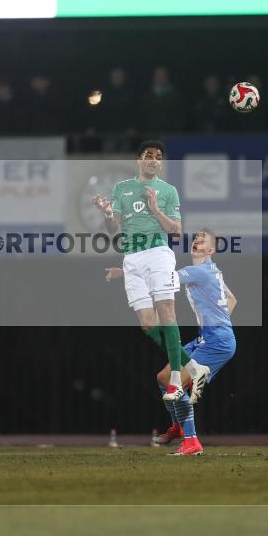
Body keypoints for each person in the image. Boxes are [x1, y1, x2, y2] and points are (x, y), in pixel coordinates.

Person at [93, 140, 211, 405]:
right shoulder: (121, 189)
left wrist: (156, 208)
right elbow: (114, 229)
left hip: (158, 254)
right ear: (139, 160)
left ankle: (176, 381)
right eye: (149, 155)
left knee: (167, 312)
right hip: (131, 258)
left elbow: (177, 231)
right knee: (147, 324)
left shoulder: (168, 191)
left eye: (159, 157)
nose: (154, 160)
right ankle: (194, 368)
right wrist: (108, 212)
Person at [105, 229, 237, 456]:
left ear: (211, 250)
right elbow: (232, 299)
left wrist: (125, 272)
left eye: (203, 241)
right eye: (196, 238)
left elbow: (165, 279)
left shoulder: (197, 272)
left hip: (217, 343)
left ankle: (191, 440)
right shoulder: (213, 271)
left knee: (175, 383)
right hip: (210, 338)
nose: (196, 241)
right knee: (163, 378)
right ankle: (178, 426)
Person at [142, 66, 186, 135]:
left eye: (162, 75)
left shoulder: (175, 95)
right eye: (158, 75)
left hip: (171, 135)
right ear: (153, 77)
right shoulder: (145, 95)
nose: (160, 77)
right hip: (150, 134)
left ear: (167, 77)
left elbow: (180, 116)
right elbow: (142, 115)